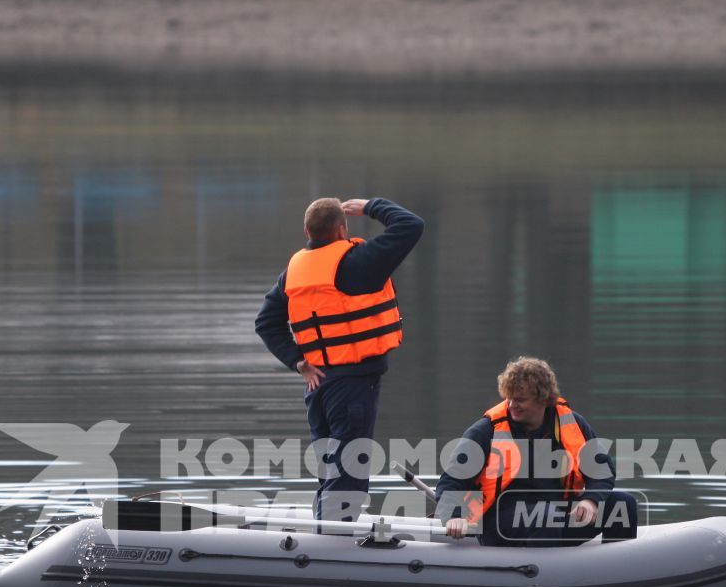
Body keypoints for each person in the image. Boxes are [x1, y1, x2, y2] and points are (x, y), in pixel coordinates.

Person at [255, 196, 425, 521]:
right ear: (342, 229)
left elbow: (265, 322)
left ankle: (324, 533)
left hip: (316, 384)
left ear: (306, 229)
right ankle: (333, 548)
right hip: (353, 386)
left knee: (331, 468)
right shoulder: (361, 262)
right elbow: (411, 225)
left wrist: (297, 362)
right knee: (347, 470)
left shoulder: (293, 272)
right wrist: (371, 206)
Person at [435, 356, 636, 546]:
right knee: (544, 516)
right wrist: (455, 516)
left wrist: (591, 501)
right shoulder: (487, 430)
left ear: (543, 399)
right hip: (499, 523)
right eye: (509, 398)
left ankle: (621, 570)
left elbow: (602, 470)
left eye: (521, 399)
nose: (512, 405)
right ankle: (545, 579)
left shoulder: (571, 423)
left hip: (556, 515)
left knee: (623, 504)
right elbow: (451, 479)